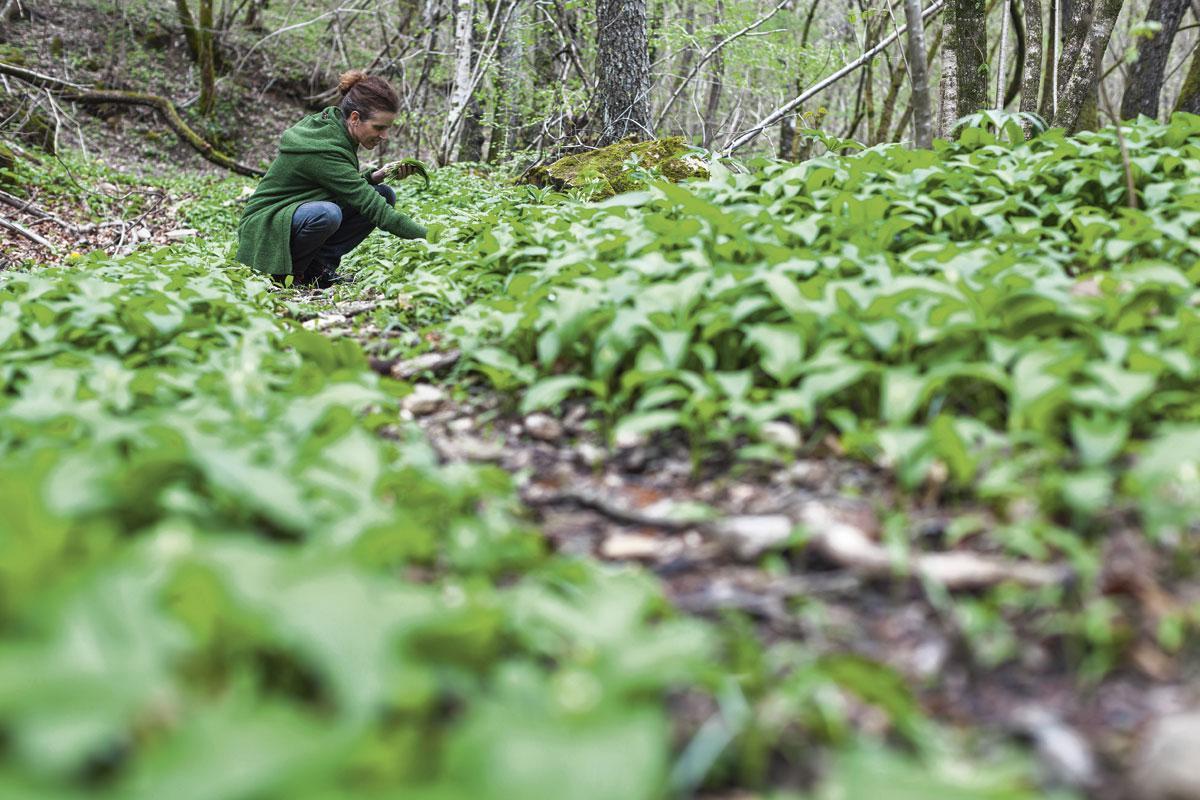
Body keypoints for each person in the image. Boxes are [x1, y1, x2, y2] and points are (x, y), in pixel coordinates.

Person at [236, 70, 427, 287]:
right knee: (328, 214)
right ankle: (286, 275)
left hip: (294, 213)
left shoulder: (334, 126)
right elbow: (376, 210)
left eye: (388, 128)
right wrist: (431, 238)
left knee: (383, 193)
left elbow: (335, 185)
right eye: (379, 127)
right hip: (266, 225)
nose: (384, 136)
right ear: (355, 118)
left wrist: (376, 177)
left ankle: (318, 269)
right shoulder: (324, 148)